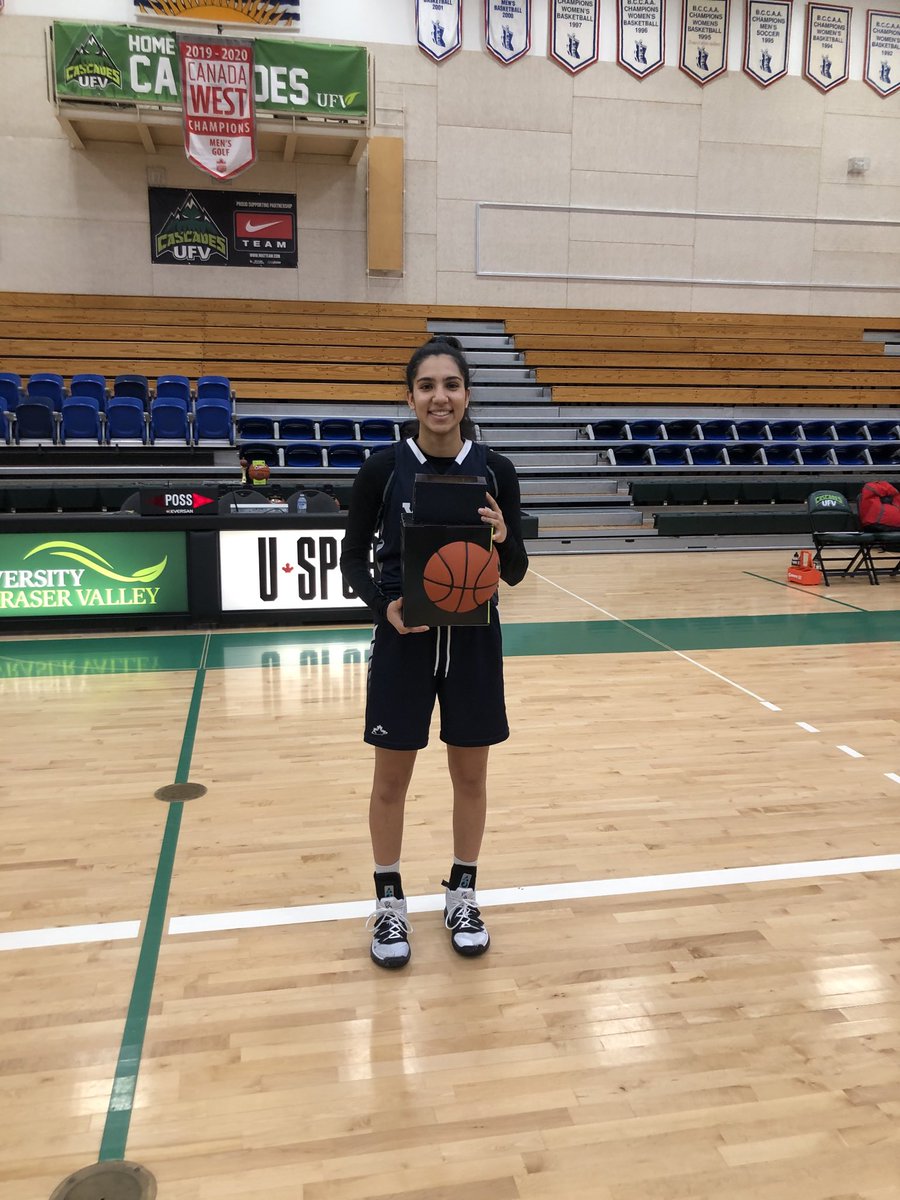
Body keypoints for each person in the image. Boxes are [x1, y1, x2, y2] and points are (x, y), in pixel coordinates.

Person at [340, 335, 529, 969]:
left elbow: (519, 572)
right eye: (427, 386)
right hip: (405, 639)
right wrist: (382, 607)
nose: (439, 397)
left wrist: (504, 539)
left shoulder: (496, 469)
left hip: (475, 640)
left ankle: (462, 891)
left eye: (450, 385)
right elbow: (350, 562)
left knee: (470, 775)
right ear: (412, 395)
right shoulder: (381, 469)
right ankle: (388, 900)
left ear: (466, 394)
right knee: (390, 778)